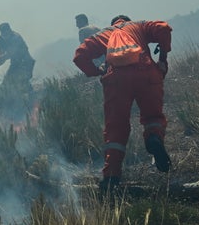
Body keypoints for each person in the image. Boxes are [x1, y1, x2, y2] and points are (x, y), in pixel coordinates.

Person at [73, 14, 172, 190]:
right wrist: (162, 57)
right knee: (152, 117)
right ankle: (154, 138)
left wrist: (97, 71)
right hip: (146, 72)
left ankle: (111, 176)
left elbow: (79, 56)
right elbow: (163, 28)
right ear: (127, 20)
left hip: (116, 80)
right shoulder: (139, 25)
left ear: (113, 24)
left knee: (115, 129)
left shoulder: (103, 34)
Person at [0, 23, 35, 92]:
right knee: (5, 85)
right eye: (3, 34)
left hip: (26, 63)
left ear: (10, 30)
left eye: (6, 33)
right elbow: (1, 59)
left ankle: (33, 98)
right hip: (15, 64)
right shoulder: (0, 40)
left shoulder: (16, 38)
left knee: (22, 82)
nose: (5, 36)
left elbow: (7, 56)